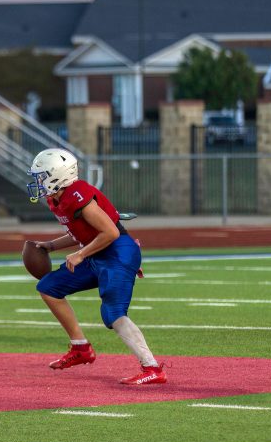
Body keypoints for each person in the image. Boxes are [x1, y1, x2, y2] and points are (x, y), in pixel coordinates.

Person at [26, 148, 166, 385]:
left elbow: (110, 232)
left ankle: (152, 367)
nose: (38, 182)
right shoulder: (56, 199)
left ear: (57, 175)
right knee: (49, 287)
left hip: (117, 252)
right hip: (98, 252)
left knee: (113, 313)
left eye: (41, 176)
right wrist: (51, 245)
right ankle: (80, 347)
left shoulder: (77, 194)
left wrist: (80, 254)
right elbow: (80, 232)